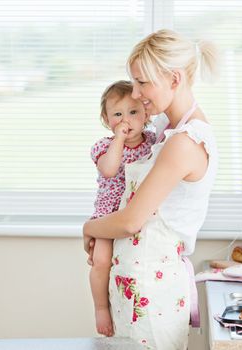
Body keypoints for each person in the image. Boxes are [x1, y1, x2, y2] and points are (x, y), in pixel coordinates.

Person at [83, 29, 219, 349]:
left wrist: (89, 227)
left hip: (150, 292)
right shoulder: (164, 130)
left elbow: (131, 220)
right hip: (133, 281)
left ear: (174, 79)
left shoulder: (185, 142)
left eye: (142, 82)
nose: (135, 92)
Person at [89, 80, 156, 337]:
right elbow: (109, 169)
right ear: (106, 120)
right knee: (100, 261)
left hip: (138, 213)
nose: (126, 120)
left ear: (146, 115)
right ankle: (101, 307)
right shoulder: (103, 147)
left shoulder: (153, 142)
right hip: (108, 216)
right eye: (117, 114)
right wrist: (119, 138)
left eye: (133, 112)